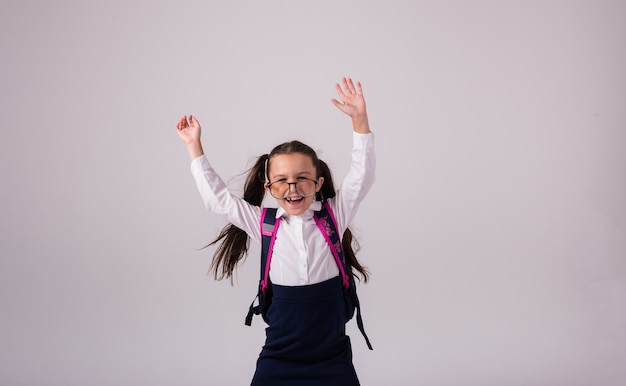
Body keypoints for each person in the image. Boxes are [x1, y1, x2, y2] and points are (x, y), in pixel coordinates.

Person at [175, 77, 375, 385]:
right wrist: (194, 146)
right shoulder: (264, 224)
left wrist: (360, 122)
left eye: (303, 178)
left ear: (318, 183)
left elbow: (362, 176)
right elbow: (218, 199)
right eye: (282, 180)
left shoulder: (334, 216)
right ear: (268, 186)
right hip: (280, 355)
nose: (292, 189)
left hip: (331, 356)